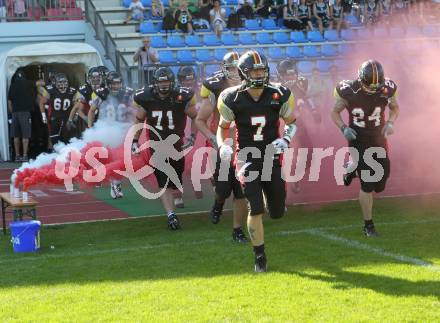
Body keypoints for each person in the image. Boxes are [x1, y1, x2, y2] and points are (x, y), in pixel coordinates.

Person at [217, 50, 297, 272]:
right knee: (256, 209)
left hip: (271, 155)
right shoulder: (232, 98)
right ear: (243, 73)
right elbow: (222, 128)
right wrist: (223, 144)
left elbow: (292, 122)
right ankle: (259, 256)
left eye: (262, 70)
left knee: (278, 211)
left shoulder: (278, 93)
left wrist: (287, 139)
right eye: (255, 70)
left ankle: (267, 197)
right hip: (246, 157)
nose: (259, 74)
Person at [331, 60, 399, 237]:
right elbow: (335, 112)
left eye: (377, 85)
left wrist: (391, 122)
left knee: (380, 185)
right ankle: (368, 225)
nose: (374, 89)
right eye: (370, 86)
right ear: (361, 79)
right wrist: (344, 128)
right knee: (368, 184)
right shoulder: (349, 90)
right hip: (358, 138)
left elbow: (395, 107)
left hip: (378, 136)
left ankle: (352, 168)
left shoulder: (387, 87)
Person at [132, 67, 198, 230]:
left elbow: (196, 117)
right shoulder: (146, 98)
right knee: (164, 180)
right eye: (161, 82)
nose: (164, 85)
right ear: (155, 83)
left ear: (172, 82)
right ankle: (171, 215)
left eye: (167, 81)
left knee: (176, 175)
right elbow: (139, 120)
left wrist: (193, 136)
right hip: (156, 144)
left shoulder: (181, 96)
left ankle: (176, 194)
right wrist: (134, 140)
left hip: (176, 144)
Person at [195, 51, 249, 243]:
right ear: (224, 69)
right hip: (225, 144)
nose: (235, 72)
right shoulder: (217, 89)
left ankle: (237, 230)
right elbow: (200, 120)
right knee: (223, 190)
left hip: (246, 144)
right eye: (231, 68)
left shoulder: (252, 86)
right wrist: (212, 137)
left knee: (241, 190)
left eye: (237, 68)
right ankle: (218, 205)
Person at [88, 71, 135, 199]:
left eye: (118, 83)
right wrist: (90, 128)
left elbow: (134, 110)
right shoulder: (100, 94)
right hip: (107, 130)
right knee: (112, 159)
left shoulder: (127, 94)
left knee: (122, 160)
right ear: (108, 84)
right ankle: (114, 184)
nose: (116, 86)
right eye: (113, 84)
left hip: (122, 129)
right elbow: (91, 111)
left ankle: (114, 183)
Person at [8, 70, 42, 162]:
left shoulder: (12, 85)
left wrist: (12, 112)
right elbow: (40, 83)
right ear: (24, 76)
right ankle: (25, 155)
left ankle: (17, 156)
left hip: (15, 113)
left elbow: (9, 101)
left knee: (16, 136)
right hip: (25, 112)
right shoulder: (27, 83)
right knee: (25, 135)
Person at [39, 73, 80, 148]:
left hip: (67, 117)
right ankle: (54, 152)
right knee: (54, 137)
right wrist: (43, 115)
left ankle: (67, 153)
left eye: (64, 82)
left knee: (67, 137)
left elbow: (76, 105)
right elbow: (41, 102)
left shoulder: (72, 91)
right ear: (55, 83)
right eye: (60, 82)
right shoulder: (50, 90)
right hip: (55, 116)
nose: (62, 85)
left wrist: (76, 114)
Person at [67, 67, 103, 135]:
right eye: (93, 78)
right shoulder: (85, 90)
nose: (95, 79)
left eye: (97, 77)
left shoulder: (105, 88)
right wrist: (85, 117)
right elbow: (77, 107)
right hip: (89, 118)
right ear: (89, 78)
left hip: (102, 119)